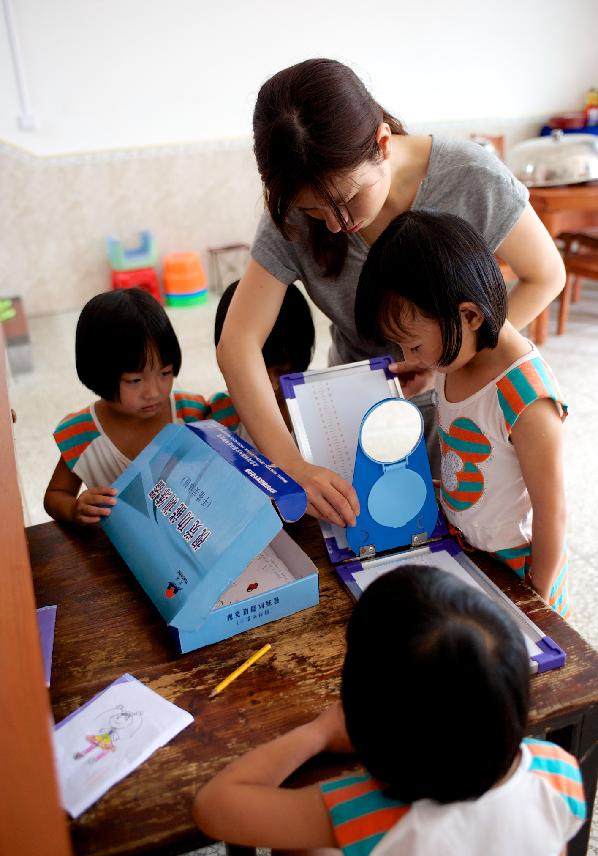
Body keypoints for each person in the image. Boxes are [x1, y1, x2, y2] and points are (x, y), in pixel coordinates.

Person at [216, 58, 565, 529]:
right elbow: (237, 344)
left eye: (348, 199)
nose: (337, 224)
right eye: (317, 212)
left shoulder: (468, 177)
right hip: (357, 406)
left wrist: (451, 352)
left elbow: (546, 275)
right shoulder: (295, 210)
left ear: (382, 143)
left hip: (463, 399)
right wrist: (290, 465)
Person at [192, 566, 585, 856]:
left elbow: (214, 807)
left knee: (299, 848)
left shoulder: (361, 814)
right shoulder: (559, 774)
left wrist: (317, 733)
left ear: (367, 723)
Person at [355, 209, 568, 614]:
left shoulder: (526, 397)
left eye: (415, 346)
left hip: (519, 568)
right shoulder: (454, 362)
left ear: (469, 316)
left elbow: (552, 510)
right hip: (468, 548)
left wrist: (537, 597)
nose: (407, 357)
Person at [44, 288, 239, 525]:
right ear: (98, 373)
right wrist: (75, 508)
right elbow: (55, 496)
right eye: (135, 380)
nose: (154, 392)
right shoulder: (83, 436)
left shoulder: (192, 413)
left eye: (165, 373)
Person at [214, 279, 315, 441]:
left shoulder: (322, 400)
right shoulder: (224, 414)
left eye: (283, 371)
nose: (273, 386)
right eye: (257, 373)